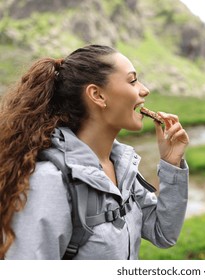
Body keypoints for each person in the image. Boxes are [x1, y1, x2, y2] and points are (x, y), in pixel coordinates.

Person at [0, 45, 189, 260]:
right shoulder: (49, 181)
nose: (144, 90)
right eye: (132, 80)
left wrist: (172, 164)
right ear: (97, 95)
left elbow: (163, 233)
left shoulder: (123, 167)